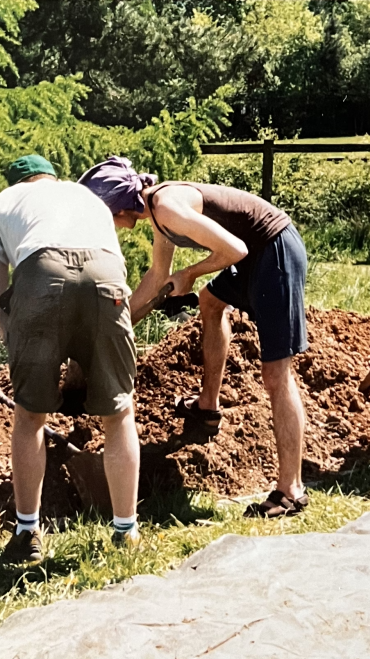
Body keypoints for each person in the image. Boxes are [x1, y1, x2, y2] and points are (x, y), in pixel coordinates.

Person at [79, 157, 308, 518]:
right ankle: (208, 406)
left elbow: (235, 249)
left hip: (274, 248)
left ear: (118, 205)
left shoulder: (166, 207)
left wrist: (189, 273)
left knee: (276, 373)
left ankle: (291, 490)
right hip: (255, 252)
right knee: (210, 302)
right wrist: (116, 329)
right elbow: (157, 275)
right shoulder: (157, 210)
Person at [0, 155, 141, 563]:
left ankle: (27, 533)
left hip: (40, 271)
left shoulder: (5, 201)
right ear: (50, 176)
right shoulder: (84, 195)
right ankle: (126, 531)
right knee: (119, 413)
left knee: (30, 416)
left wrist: (7, 320)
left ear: (17, 181)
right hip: (107, 275)